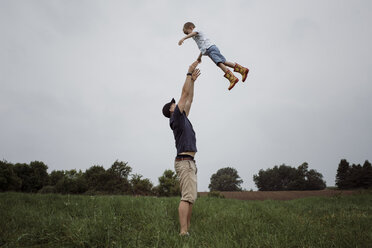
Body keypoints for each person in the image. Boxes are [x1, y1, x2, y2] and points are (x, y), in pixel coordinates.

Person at [162, 60, 201, 236]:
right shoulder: (175, 118)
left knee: (190, 198)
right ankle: (183, 232)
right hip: (184, 161)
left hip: (189, 162)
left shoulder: (182, 117)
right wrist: (188, 73)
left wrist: (192, 81)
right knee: (186, 197)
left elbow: (190, 98)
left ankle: (187, 231)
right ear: (171, 110)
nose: (176, 104)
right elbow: (184, 95)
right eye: (173, 104)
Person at [178, 22, 249, 91]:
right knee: (224, 62)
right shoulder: (197, 37)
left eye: (187, 32)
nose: (188, 34)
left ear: (191, 28)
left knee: (219, 63)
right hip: (210, 49)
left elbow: (194, 33)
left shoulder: (196, 30)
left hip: (210, 49)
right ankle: (243, 70)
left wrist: (183, 38)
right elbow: (202, 47)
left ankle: (232, 78)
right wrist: (199, 57)